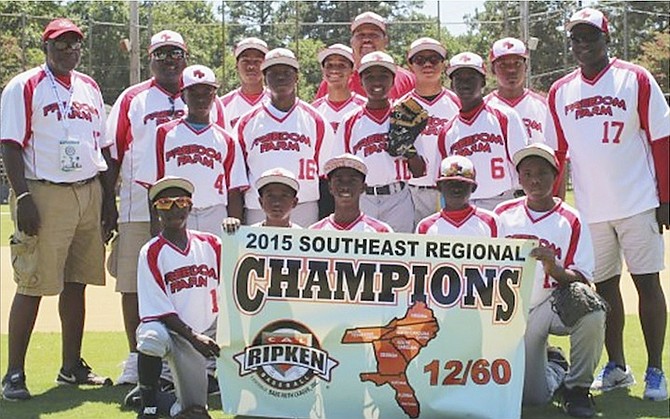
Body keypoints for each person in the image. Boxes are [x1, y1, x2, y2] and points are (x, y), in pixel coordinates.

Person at [546, 7, 669, 401]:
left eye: (590, 37)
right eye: (576, 39)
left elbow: (662, 141)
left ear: (606, 38)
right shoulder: (560, 90)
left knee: (647, 283)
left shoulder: (635, 78)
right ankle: (617, 366)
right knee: (603, 289)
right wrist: (553, 206)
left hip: (637, 201)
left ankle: (655, 369)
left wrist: (666, 198)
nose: (582, 45)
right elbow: (556, 155)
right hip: (590, 209)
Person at [1, 18, 115, 400]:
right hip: (45, 190)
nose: (69, 49)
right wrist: (23, 196)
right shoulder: (25, 84)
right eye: (61, 43)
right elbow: (11, 144)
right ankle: (14, 373)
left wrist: (107, 200)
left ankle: (72, 366)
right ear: (46, 45)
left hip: (87, 189)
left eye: (75, 43)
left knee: (77, 281)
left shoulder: (90, 87)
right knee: (32, 283)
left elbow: (100, 147)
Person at [495, 143, 605, 418]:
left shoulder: (571, 219)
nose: (535, 180)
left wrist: (553, 267)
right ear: (518, 178)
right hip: (510, 312)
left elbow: (581, 278)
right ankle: (555, 364)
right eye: (528, 173)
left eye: (543, 173)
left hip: (550, 306)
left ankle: (577, 389)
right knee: (534, 398)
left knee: (590, 307)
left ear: (556, 176)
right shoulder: (502, 214)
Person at [106, 29, 190, 386]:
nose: (169, 59)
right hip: (139, 205)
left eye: (175, 53)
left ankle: (186, 358)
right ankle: (134, 357)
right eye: (161, 54)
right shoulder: (133, 98)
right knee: (133, 283)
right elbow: (112, 154)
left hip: (187, 207)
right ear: (150, 59)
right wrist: (109, 205)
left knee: (187, 283)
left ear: (184, 58)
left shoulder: (198, 96)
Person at [135, 176, 221, 419]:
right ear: (156, 210)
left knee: (195, 412)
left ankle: (156, 396)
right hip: (170, 330)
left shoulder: (212, 243)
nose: (174, 209)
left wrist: (233, 230)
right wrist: (193, 337)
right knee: (151, 338)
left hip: (200, 333)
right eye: (165, 203)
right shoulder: (151, 251)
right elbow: (158, 310)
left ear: (190, 206)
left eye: (181, 201)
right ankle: (148, 404)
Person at [135, 64, 247, 236]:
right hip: (175, 211)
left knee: (214, 261)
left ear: (214, 96)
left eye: (207, 93)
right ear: (183, 96)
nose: (201, 99)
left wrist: (234, 223)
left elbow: (233, 190)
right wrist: (155, 222)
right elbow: (152, 184)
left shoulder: (227, 139)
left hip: (214, 211)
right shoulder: (164, 133)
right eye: (194, 93)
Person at [236, 48, 334, 227]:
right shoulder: (246, 122)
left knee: (303, 256)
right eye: (273, 73)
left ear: (296, 77)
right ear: (265, 78)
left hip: (303, 203)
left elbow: (326, 175)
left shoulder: (316, 120)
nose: (280, 77)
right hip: (258, 206)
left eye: (286, 72)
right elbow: (238, 174)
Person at [334, 51, 422, 233]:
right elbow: (339, 168)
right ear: (360, 80)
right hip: (362, 198)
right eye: (370, 76)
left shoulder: (405, 115)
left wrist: (408, 149)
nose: (376, 82)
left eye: (383, 76)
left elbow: (420, 170)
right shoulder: (350, 120)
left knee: (399, 256)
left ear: (392, 80)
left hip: (398, 197)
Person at [437, 52, 529, 211]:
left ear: (483, 82)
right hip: (466, 205)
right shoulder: (447, 132)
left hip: (505, 200)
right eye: (459, 79)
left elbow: (524, 164)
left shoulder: (505, 117)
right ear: (452, 85)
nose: (465, 84)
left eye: (471, 78)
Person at [400, 37, 460, 227]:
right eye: (419, 60)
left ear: (443, 64)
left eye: (434, 59)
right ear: (410, 65)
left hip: (449, 188)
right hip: (410, 190)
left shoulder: (457, 103)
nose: (427, 64)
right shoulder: (400, 106)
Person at [311, 43, 366, 219]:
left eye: (341, 65)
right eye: (329, 65)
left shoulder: (364, 107)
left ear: (352, 70)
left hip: (354, 182)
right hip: (323, 182)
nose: (335, 70)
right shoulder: (313, 110)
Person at [314, 11, 415, 100]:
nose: (367, 40)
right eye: (360, 35)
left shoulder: (406, 79)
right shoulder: (335, 80)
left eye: (373, 34)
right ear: (352, 41)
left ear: (385, 41)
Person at [484, 37, 549, 144]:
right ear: (493, 69)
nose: (511, 70)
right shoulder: (484, 109)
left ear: (526, 67)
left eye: (517, 63)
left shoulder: (544, 106)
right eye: (503, 65)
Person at [416, 155, 498, 238]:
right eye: (450, 183)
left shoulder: (490, 221)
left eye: (462, 184)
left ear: (473, 187)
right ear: (439, 187)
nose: (456, 189)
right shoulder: (425, 227)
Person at [310, 154, 392, 232]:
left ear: (363, 187)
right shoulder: (314, 232)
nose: (345, 186)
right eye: (339, 180)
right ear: (330, 187)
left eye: (352, 180)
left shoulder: (381, 231)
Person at [223, 167, 301, 233]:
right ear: (261, 202)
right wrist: (231, 232)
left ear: (294, 202)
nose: (277, 202)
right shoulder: (249, 234)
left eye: (284, 196)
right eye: (270, 196)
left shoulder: (303, 237)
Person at [220, 37, 270, 129]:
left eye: (257, 61)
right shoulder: (222, 105)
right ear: (236, 65)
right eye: (245, 61)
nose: (251, 66)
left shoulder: (277, 102)